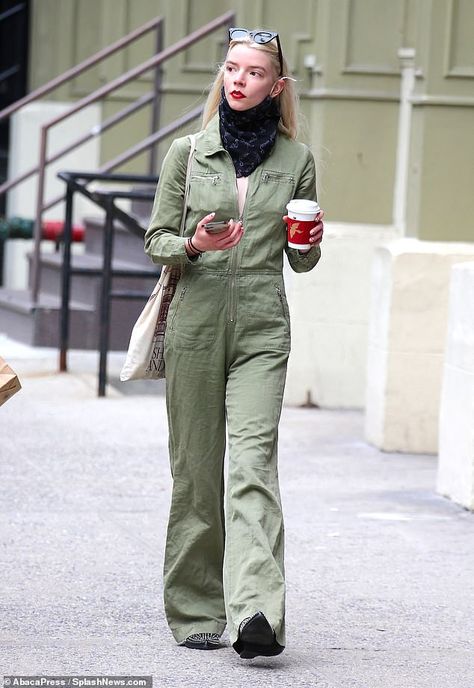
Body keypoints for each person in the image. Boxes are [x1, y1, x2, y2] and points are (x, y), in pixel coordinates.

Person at [144, 27, 324, 659]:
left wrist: (307, 241)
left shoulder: (295, 160)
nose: (238, 79)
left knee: (251, 468)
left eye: (252, 72)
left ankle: (256, 614)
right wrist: (194, 244)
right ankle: (195, 608)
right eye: (231, 68)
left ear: (275, 87)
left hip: (261, 331)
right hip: (194, 326)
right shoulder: (187, 153)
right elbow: (156, 239)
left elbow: (301, 262)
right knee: (196, 472)